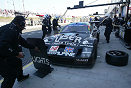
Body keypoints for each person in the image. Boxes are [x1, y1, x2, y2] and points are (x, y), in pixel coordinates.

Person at [0, 16, 38, 88]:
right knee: (10, 76)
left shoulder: (14, 29)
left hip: (3, 52)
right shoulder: (10, 30)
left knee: (18, 62)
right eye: (24, 23)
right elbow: (3, 46)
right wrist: (16, 53)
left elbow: (22, 42)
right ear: (20, 23)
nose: (24, 25)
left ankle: (20, 77)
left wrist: (33, 47)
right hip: (1, 53)